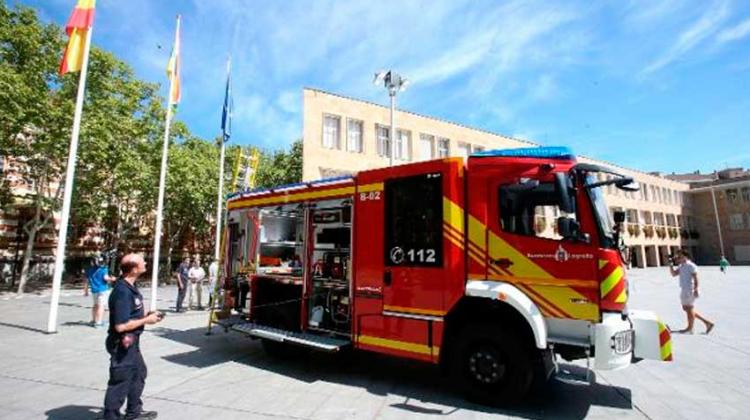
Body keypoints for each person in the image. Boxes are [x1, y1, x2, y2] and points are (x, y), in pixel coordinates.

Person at [102, 253, 163, 420]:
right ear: (134, 269)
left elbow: (131, 314)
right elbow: (120, 325)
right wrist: (147, 320)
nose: (145, 262)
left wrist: (147, 315)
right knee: (120, 382)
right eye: (142, 261)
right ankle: (110, 417)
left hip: (131, 343)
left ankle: (134, 412)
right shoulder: (122, 291)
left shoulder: (130, 287)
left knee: (139, 374)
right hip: (122, 344)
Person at [668, 249, 715, 334]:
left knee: (689, 309)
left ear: (685, 256)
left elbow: (696, 277)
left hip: (690, 289)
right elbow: (674, 274)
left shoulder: (691, 265)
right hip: (684, 289)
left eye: (679, 255)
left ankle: (690, 328)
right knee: (687, 309)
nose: (677, 257)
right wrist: (671, 265)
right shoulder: (681, 266)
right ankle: (707, 323)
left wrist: (696, 288)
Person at [86, 254, 116, 327]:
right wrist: (112, 279)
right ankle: (99, 322)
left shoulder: (90, 270)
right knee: (101, 306)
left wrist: (85, 290)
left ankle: (93, 320)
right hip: (102, 290)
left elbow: (87, 280)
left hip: (94, 290)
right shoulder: (103, 269)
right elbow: (105, 278)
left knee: (95, 305)